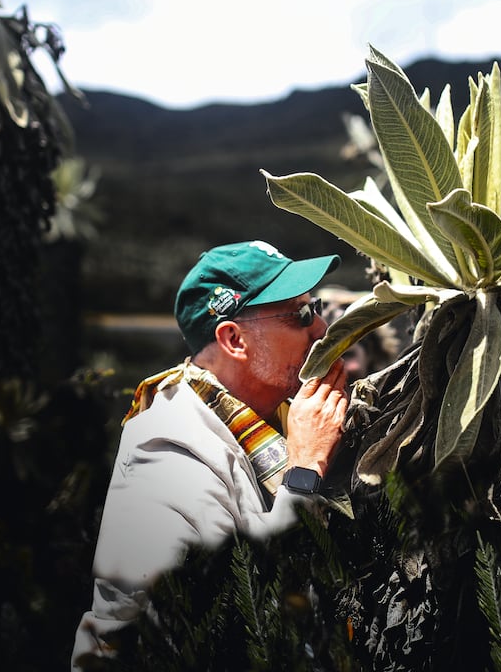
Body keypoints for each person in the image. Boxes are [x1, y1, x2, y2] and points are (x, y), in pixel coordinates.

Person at [71, 240, 350, 669]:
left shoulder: (276, 415)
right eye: (298, 315)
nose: (320, 329)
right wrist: (305, 471)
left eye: (314, 309)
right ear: (234, 339)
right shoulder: (169, 455)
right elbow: (233, 613)